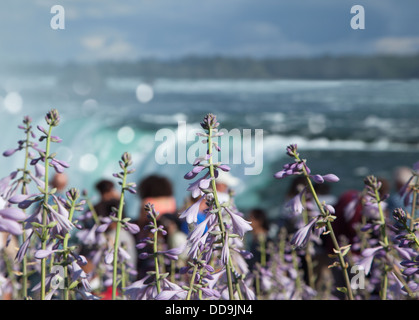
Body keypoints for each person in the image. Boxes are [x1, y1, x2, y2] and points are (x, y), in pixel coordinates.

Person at [135, 174, 177, 279]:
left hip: (151, 238)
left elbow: (141, 223)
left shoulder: (147, 202)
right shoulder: (170, 200)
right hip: (168, 237)